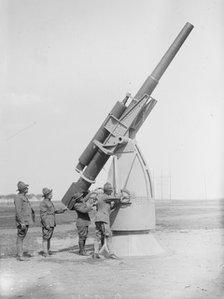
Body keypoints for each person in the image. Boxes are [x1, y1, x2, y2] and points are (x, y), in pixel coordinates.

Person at [92, 182, 125, 259]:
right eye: (111, 190)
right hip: (104, 220)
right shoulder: (105, 197)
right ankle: (111, 253)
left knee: (97, 236)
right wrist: (121, 193)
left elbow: (108, 208)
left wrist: (117, 204)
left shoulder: (101, 198)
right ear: (108, 190)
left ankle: (95, 253)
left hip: (98, 219)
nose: (112, 192)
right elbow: (116, 198)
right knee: (108, 235)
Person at [40, 187, 67, 257]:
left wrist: (62, 210)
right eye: (50, 194)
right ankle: (45, 253)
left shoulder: (49, 202)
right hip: (48, 223)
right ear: (47, 195)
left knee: (49, 237)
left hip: (52, 222)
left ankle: (47, 251)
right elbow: (43, 215)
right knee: (46, 238)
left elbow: (54, 211)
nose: (52, 195)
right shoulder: (44, 203)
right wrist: (46, 224)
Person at [14, 181, 35, 261]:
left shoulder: (23, 197)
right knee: (20, 237)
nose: (27, 188)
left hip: (26, 221)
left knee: (21, 237)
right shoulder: (18, 198)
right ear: (23, 189)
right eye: (26, 187)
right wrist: (21, 222)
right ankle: (20, 256)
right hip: (23, 222)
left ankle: (20, 255)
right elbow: (18, 211)